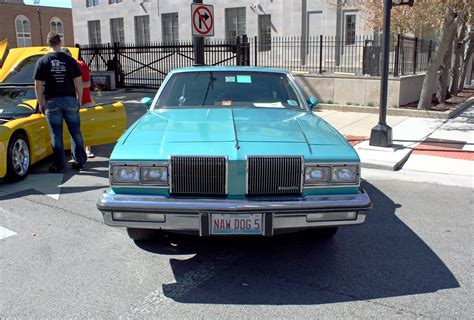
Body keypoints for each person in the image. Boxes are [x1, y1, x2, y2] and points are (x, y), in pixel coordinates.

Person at [33, 32, 87, 173]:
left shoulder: (42, 61)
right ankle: (79, 162)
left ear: (48, 43)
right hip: (70, 99)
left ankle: (60, 165)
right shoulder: (70, 60)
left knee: (56, 134)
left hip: (52, 101)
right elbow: (78, 82)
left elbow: (38, 85)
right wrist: (79, 99)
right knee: (75, 132)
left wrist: (41, 103)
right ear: (60, 42)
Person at [64, 46, 95, 158]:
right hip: (70, 102)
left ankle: (88, 149)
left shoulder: (81, 65)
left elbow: (87, 84)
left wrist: (74, 85)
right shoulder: (63, 67)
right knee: (75, 127)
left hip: (85, 100)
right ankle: (79, 149)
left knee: (87, 125)